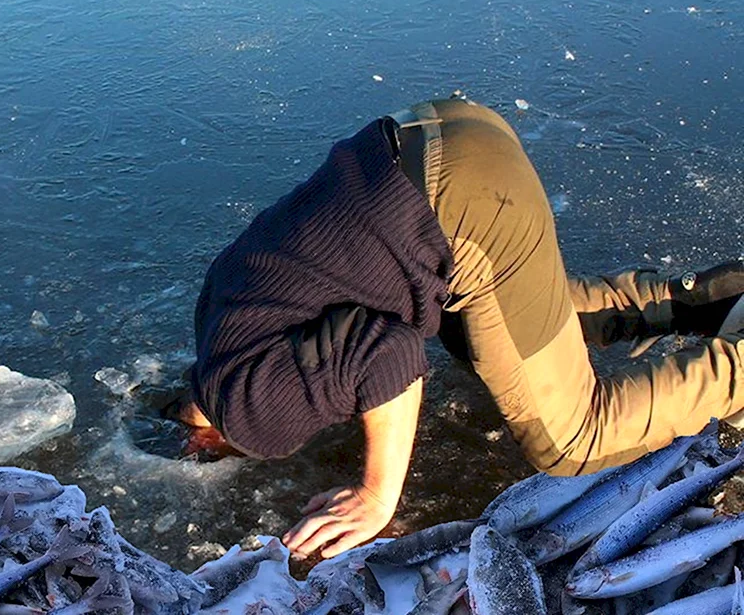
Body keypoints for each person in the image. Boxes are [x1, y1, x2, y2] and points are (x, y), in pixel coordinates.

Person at [172, 94, 744, 560]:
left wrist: (377, 494)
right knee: (474, 330)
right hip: (440, 136)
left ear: (208, 438)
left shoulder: (248, 416)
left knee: (568, 439)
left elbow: (390, 357)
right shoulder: (216, 330)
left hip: (464, 204)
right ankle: (710, 303)